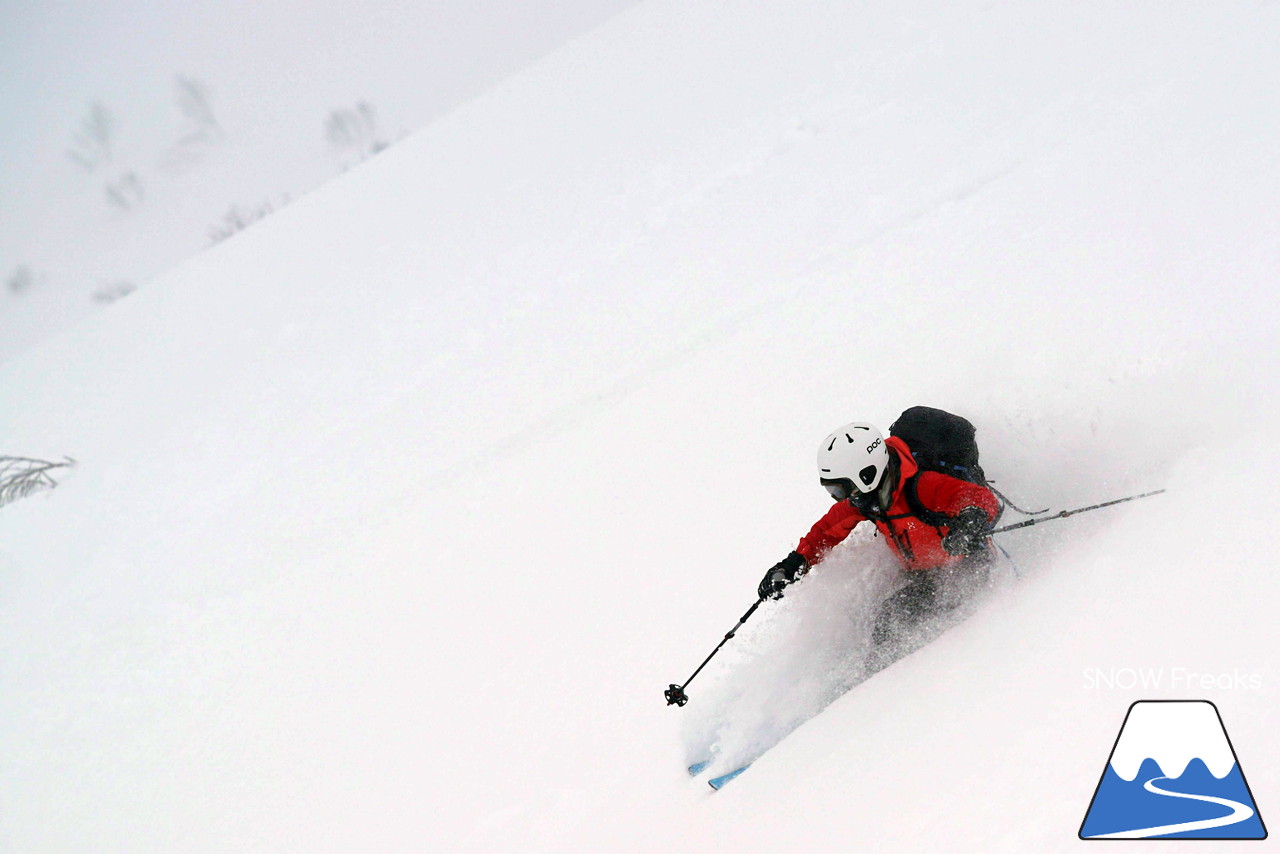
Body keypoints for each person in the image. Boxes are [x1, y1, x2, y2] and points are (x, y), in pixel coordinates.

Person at [757, 420, 999, 667]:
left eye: (841, 488)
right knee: (889, 623)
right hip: (925, 577)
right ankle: (877, 685)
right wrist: (794, 563)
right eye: (834, 490)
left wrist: (970, 522)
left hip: (968, 565)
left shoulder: (923, 486)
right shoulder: (865, 500)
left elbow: (979, 498)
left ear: (867, 474)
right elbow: (825, 533)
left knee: (951, 619)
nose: (841, 497)